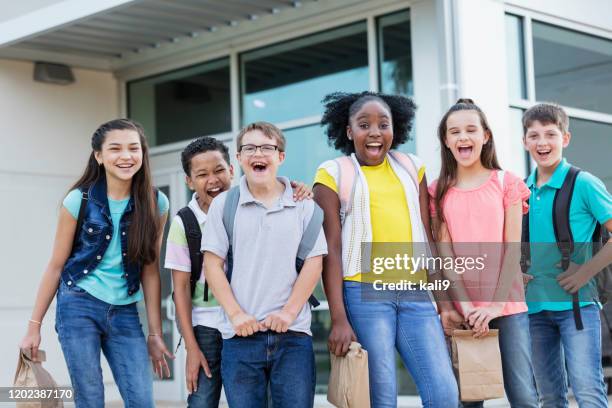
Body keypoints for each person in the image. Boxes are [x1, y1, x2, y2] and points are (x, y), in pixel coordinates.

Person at [313, 91, 459, 408]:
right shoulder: (333, 173)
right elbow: (331, 249)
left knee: (445, 394)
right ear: (349, 130)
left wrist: (445, 303)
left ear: (396, 128)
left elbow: (427, 236)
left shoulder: (412, 167)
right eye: (364, 125)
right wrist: (338, 317)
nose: (375, 132)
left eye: (383, 124)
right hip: (365, 293)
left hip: (417, 294)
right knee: (381, 397)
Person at [19, 119, 173, 408]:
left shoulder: (156, 202)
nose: (126, 156)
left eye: (133, 148)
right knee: (90, 398)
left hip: (125, 310)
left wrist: (154, 332)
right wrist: (33, 326)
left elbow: (151, 270)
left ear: (143, 153)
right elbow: (56, 265)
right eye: (115, 149)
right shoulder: (79, 199)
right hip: (78, 305)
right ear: (99, 156)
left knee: (142, 400)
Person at [166, 136, 314, 407]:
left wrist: (294, 188)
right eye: (202, 174)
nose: (213, 180)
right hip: (208, 327)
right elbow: (181, 290)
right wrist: (191, 346)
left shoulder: (251, 205)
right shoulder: (185, 222)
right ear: (189, 181)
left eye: (219, 170)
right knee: (202, 400)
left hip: (253, 323)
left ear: (232, 169)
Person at [201, 122, 327, 408]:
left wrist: (288, 313)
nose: (258, 153)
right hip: (240, 337)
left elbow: (314, 263)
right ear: (239, 157)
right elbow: (212, 265)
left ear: (280, 156)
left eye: (267, 148)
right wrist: (235, 315)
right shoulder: (224, 205)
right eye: (250, 148)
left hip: (293, 336)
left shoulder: (304, 205)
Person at [429, 98, 538, 407]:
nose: (463, 137)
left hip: (508, 305)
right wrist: (465, 307)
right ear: (446, 141)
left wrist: (493, 306)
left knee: (524, 396)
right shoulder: (438, 191)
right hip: (465, 308)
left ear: (485, 136)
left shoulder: (507, 183)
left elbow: (512, 249)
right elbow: (445, 255)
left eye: (471, 130)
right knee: (470, 399)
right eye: (454, 132)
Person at [522, 103, 612, 407]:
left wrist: (586, 271)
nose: (542, 142)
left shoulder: (584, 183)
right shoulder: (522, 190)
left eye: (550, 134)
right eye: (534, 135)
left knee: (588, 391)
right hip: (533, 309)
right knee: (548, 396)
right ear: (525, 142)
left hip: (578, 306)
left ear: (566, 138)